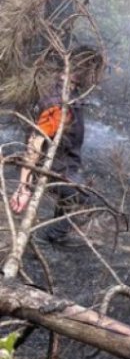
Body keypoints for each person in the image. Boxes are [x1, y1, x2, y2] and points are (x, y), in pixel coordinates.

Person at [10, 45, 104, 248]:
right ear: (84, 71)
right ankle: (50, 235)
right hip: (55, 167)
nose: (96, 80)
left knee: (75, 192)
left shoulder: (68, 91)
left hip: (65, 162)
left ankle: (56, 232)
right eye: (94, 73)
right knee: (83, 198)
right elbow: (35, 143)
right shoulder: (58, 103)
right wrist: (23, 186)